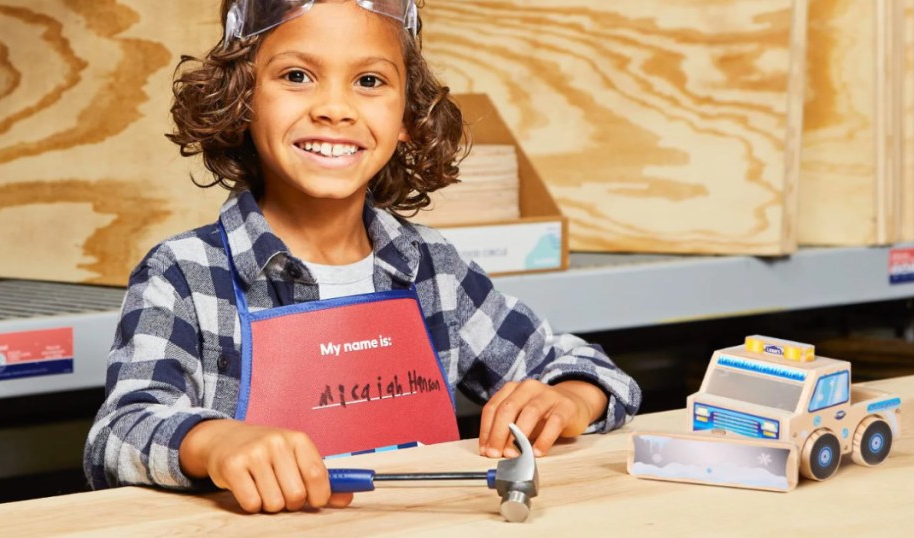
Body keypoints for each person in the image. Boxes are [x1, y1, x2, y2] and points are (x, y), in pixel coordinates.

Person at [84, 0, 641, 514]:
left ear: (406, 119)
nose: (334, 109)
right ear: (242, 99)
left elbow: (592, 369)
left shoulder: (432, 269)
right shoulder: (184, 273)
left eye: (369, 81)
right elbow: (119, 435)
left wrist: (568, 399)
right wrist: (211, 442)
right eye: (296, 76)